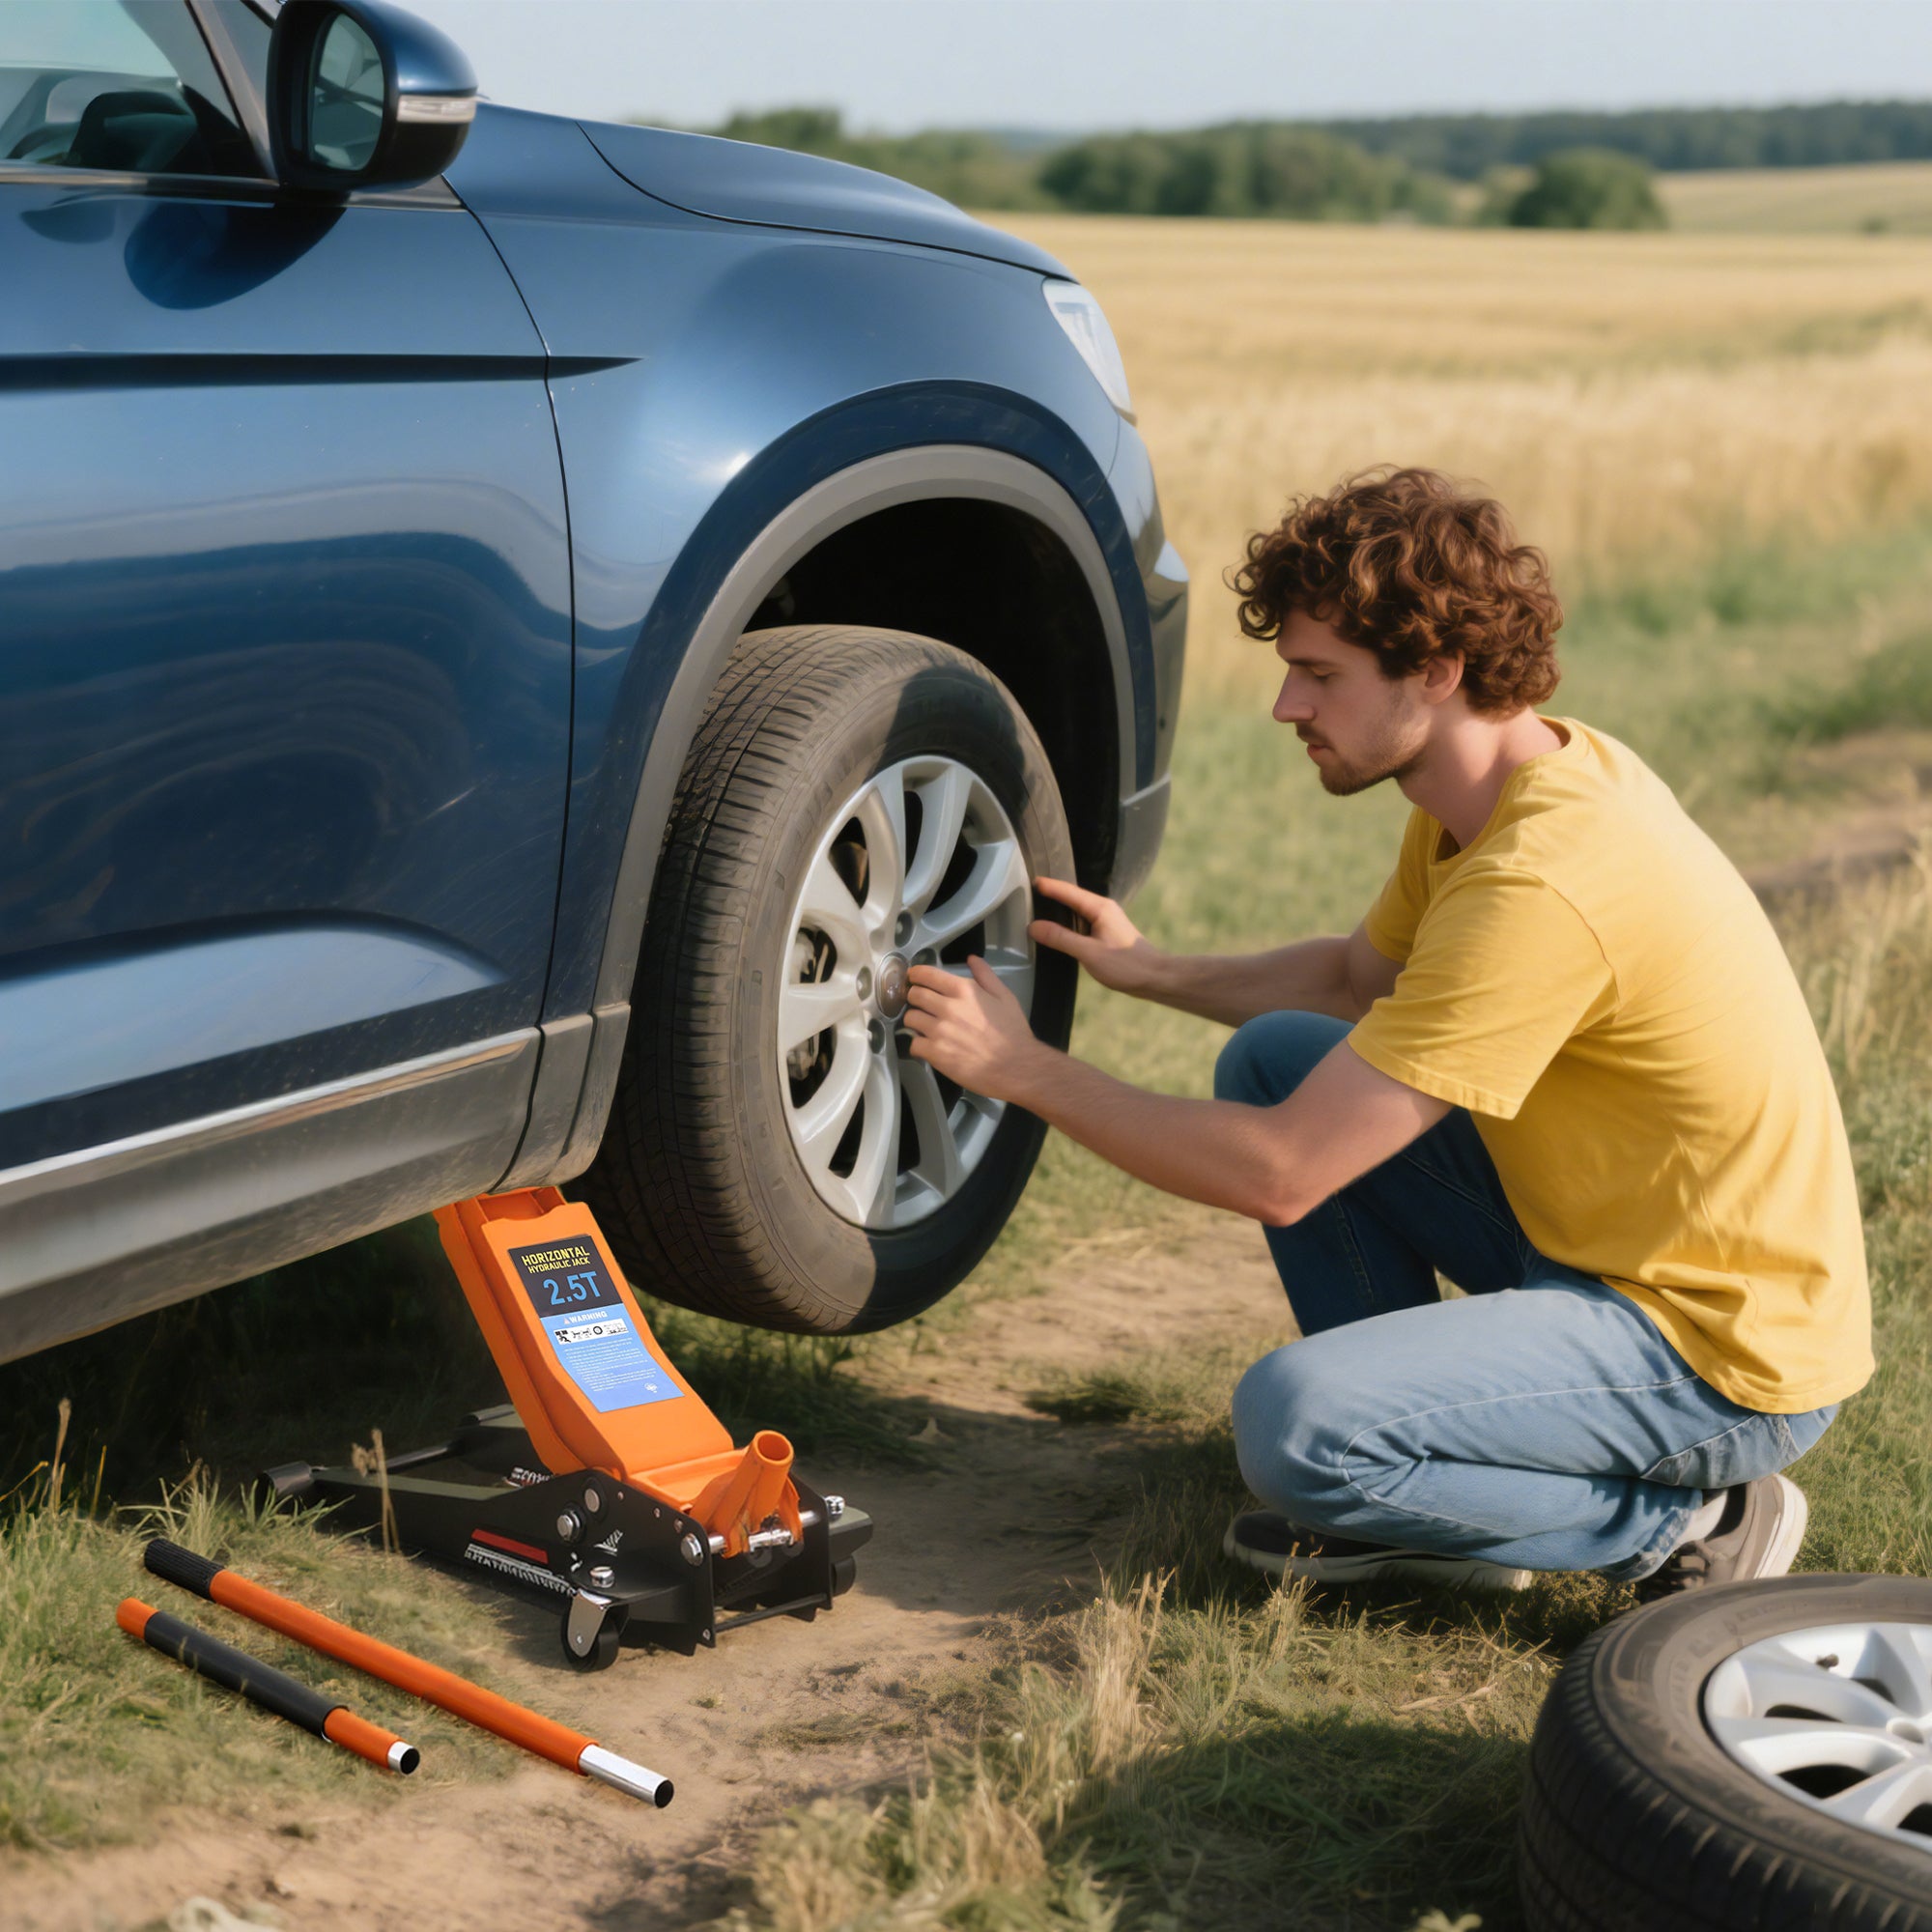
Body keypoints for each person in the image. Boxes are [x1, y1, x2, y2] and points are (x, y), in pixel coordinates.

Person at [902, 466, 1869, 1598]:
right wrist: (1149, 967)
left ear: (1437, 672)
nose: (1284, 708)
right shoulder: (1493, 789)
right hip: (1600, 1249)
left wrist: (1022, 1069)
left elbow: (1281, 1174)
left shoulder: (1545, 881)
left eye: (1318, 675)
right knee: (1273, 1057)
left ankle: (1685, 1522)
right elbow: (1358, 978)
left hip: (1714, 1350)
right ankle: (1431, 1482)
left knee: (1291, 1425)